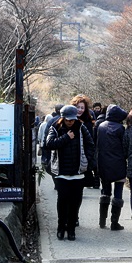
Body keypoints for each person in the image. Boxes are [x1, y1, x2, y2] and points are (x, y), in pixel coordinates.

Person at [44, 104, 96, 241]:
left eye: (72, 119)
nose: (70, 122)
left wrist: (86, 160)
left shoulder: (81, 127)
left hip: (78, 172)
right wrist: (66, 137)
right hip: (61, 172)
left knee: (75, 202)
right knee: (62, 201)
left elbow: (90, 145)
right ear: (63, 118)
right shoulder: (55, 128)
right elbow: (49, 144)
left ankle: (71, 229)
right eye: (68, 120)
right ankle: (61, 227)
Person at [95, 104, 128, 230]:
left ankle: (102, 221)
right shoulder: (120, 128)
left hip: (103, 163)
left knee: (105, 191)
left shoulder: (101, 126)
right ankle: (114, 223)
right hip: (118, 164)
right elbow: (125, 147)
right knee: (118, 192)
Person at [71, 94, 97, 187]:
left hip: (83, 157)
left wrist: (88, 157)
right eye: (78, 107)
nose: (80, 110)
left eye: (82, 108)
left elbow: (90, 142)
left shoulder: (88, 122)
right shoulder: (68, 121)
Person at [38, 104, 64, 176]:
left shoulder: (52, 121)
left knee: (53, 165)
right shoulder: (68, 120)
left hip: (52, 147)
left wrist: (45, 145)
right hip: (64, 147)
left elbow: (46, 134)